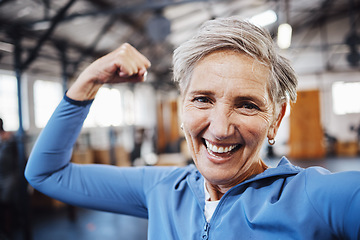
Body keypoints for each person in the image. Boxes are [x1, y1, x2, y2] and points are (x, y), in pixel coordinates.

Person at [25, 17, 360, 239]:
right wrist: (87, 83)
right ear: (182, 105)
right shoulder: (163, 189)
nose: (219, 128)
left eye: (247, 104)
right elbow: (46, 174)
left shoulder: (313, 198)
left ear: (276, 118)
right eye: (202, 99)